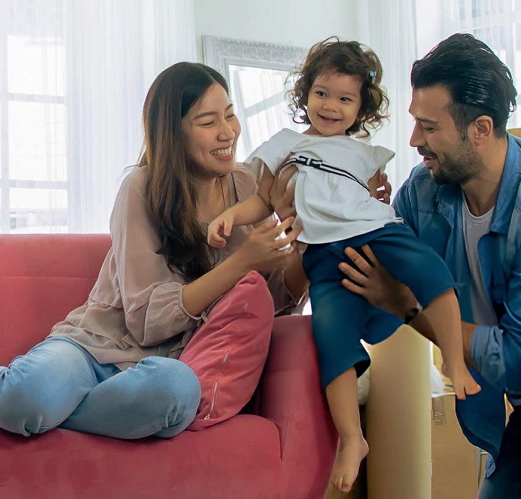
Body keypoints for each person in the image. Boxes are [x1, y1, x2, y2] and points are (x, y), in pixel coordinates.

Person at [207, 37, 480, 494]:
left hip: (374, 232)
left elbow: (370, 195)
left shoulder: (364, 152)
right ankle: (353, 440)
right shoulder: (286, 144)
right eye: (322, 94)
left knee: (431, 271)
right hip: (322, 254)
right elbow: (263, 201)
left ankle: (455, 360)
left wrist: (379, 195)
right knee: (330, 339)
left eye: (345, 99)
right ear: (305, 94)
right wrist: (231, 215)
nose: (331, 106)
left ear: (361, 107)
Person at [339, 33, 521, 499]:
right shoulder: (424, 192)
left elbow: (520, 362)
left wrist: (409, 309)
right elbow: (374, 284)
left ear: (480, 129)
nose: (414, 140)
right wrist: (350, 210)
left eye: (429, 127)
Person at [0, 62, 306, 441]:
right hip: (94, 348)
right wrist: (241, 263)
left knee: (176, 392)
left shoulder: (248, 186)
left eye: (230, 115)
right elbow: (146, 320)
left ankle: (58, 412)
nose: (228, 132)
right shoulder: (140, 187)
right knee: (25, 398)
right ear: (172, 132)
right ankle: (55, 403)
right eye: (208, 121)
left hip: (161, 371)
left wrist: (307, 241)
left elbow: (271, 303)